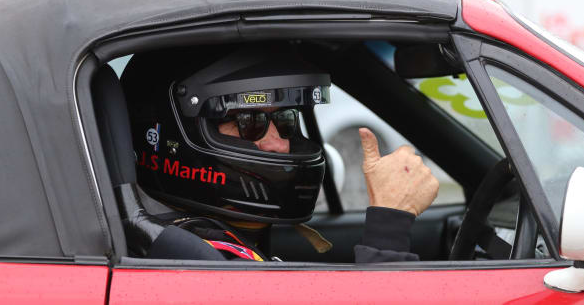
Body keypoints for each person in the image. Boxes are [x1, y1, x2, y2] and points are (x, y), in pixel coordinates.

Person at [120, 43, 439, 262]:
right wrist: (389, 228)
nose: (279, 144)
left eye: (286, 122)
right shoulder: (191, 262)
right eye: (249, 122)